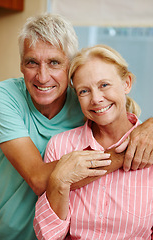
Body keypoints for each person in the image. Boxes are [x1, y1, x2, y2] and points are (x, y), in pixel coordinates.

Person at [0, 13, 153, 240]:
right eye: (32, 62)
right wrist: (129, 154)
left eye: (54, 62)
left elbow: (120, 113)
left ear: (69, 68)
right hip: (11, 235)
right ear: (21, 65)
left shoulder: (86, 102)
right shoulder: (2, 98)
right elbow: (39, 179)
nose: (42, 76)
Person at [34, 44, 153, 239]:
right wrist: (59, 181)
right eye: (84, 91)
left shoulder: (150, 146)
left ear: (127, 83)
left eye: (104, 85)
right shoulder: (60, 146)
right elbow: (48, 235)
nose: (96, 99)